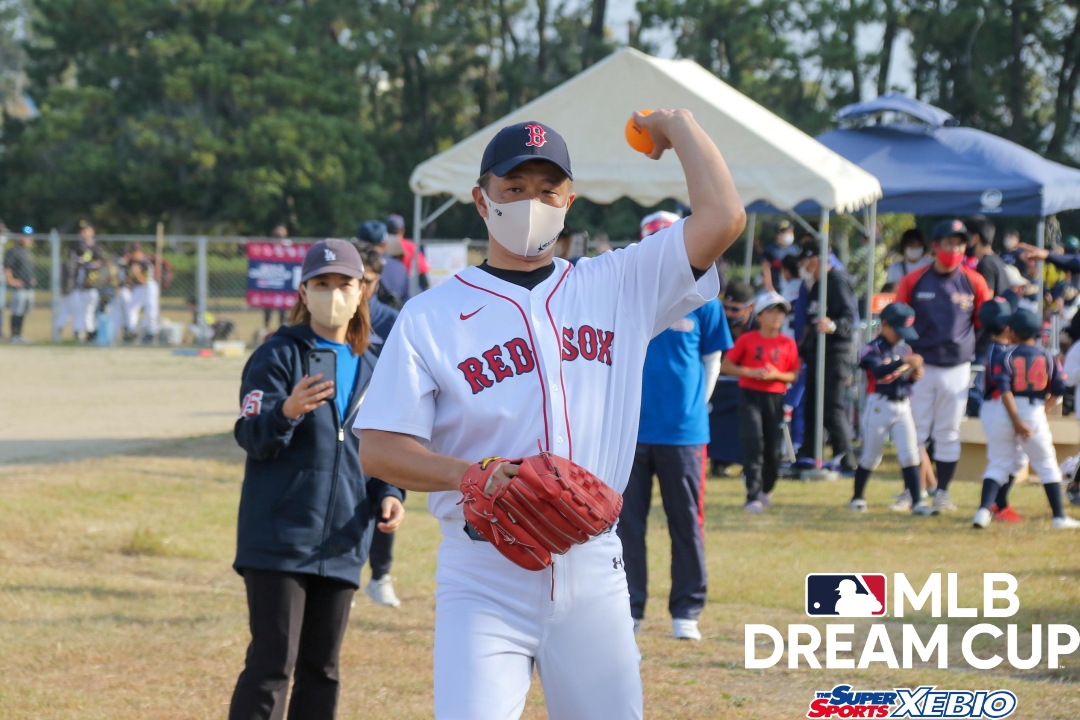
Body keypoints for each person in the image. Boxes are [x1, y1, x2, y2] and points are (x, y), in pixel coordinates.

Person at [355, 112, 745, 719]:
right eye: (513, 188)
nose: (531, 203)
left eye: (547, 189)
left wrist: (679, 127)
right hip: (483, 569)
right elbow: (379, 448)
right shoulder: (431, 315)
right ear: (482, 201)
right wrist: (470, 474)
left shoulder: (618, 282)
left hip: (592, 564)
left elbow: (723, 218)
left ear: (569, 202)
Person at [229, 239, 406, 720]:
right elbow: (251, 435)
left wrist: (389, 493)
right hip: (280, 537)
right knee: (272, 665)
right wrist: (286, 412)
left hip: (343, 539)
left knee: (322, 670)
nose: (333, 294)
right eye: (321, 284)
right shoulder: (277, 355)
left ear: (362, 291)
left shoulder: (376, 363)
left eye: (343, 284)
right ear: (304, 293)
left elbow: (382, 445)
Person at [618, 210, 732, 642]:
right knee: (626, 524)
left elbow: (712, 357)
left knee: (685, 521)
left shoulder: (704, 297)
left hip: (684, 432)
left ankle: (687, 609)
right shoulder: (624, 294)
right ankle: (629, 607)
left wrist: (696, 405)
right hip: (628, 430)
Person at [895, 219, 992, 511]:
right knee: (915, 431)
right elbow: (899, 320)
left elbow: (984, 322)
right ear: (936, 246)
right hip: (921, 367)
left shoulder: (974, 281)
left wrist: (969, 350)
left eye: (960, 244)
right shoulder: (913, 280)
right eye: (949, 243)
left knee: (948, 432)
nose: (955, 250)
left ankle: (943, 493)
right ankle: (911, 493)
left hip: (957, 367)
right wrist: (906, 358)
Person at [972, 309, 1080, 530]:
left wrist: (1015, 419)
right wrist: (1043, 409)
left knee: (999, 463)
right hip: (1033, 411)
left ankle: (983, 511)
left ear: (1014, 332)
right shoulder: (1047, 356)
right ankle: (1059, 517)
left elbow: (1004, 390)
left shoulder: (1006, 355)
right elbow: (1059, 388)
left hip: (1006, 409)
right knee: (1047, 465)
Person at [352, 244, 402, 608]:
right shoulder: (334, 320)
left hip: (384, 423)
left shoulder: (392, 320)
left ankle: (380, 576)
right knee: (348, 504)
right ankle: (345, 578)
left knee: (386, 500)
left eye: (366, 281)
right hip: (345, 424)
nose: (360, 289)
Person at [850, 303, 935, 514]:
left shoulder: (904, 349)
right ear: (885, 325)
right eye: (898, 330)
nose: (900, 336)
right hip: (879, 405)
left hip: (902, 405)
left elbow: (902, 381)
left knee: (910, 454)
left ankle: (917, 502)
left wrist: (914, 376)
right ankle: (857, 497)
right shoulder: (873, 348)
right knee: (872, 456)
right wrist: (902, 362)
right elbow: (878, 372)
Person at [721, 291, 800, 511]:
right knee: (753, 443)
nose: (776, 317)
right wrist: (750, 372)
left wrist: (776, 375)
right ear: (759, 316)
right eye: (771, 312)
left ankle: (766, 488)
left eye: (780, 313)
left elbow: (793, 374)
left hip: (775, 398)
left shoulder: (787, 343)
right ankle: (752, 494)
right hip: (749, 396)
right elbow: (726, 365)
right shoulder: (747, 339)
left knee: (773, 450)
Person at [796, 243, 859, 472]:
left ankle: (846, 459)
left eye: (804, 263)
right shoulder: (816, 285)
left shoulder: (838, 281)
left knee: (832, 408)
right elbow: (810, 321)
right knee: (812, 407)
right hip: (816, 353)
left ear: (815, 261)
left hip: (834, 354)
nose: (802, 268)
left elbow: (849, 320)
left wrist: (833, 325)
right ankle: (809, 455)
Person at [974, 298, 1025, 523]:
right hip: (997, 406)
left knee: (1018, 459)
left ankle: (998, 502)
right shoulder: (1000, 351)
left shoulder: (1001, 348)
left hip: (999, 407)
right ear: (1006, 327)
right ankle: (992, 506)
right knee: (1002, 460)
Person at [709, 281, 756, 475]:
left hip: (751, 385)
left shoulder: (760, 327)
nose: (728, 313)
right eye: (725, 308)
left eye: (735, 309)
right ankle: (719, 460)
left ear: (750, 307)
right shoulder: (715, 323)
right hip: (719, 384)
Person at [356, 220, 409, 308]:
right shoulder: (399, 268)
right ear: (385, 243)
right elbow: (407, 302)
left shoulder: (351, 266)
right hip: (396, 315)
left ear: (358, 242)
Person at [72, 221, 107, 342]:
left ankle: (91, 334)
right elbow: (74, 262)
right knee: (79, 310)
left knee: (90, 311)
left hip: (93, 285)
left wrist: (90, 264)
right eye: (81, 231)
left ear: (92, 232)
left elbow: (102, 263)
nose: (83, 233)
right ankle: (79, 333)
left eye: (85, 230)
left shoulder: (97, 247)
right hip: (79, 284)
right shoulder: (77, 247)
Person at [121, 242, 160, 343]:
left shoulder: (145, 262)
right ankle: (131, 331)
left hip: (148, 287)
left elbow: (145, 281)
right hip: (138, 287)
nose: (132, 254)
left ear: (139, 252)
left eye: (134, 252)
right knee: (130, 307)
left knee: (150, 309)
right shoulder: (132, 262)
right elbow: (128, 278)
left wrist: (137, 273)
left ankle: (153, 333)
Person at [4, 232, 35, 343]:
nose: (29, 239)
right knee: (17, 310)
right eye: (26, 237)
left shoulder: (27, 251)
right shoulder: (13, 251)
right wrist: (11, 281)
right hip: (19, 286)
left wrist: (32, 278)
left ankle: (19, 334)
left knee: (23, 311)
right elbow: (7, 267)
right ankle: (14, 335)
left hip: (28, 286)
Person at [386, 213, 430, 291]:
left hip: (385, 286)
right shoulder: (411, 247)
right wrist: (428, 288)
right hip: (405, 286)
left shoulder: (381, 245)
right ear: (402, 231)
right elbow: (422, 273)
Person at [263, 224, 293, 329]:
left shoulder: (289, 245)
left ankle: (281, 327)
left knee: (283, 306)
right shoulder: (269, 245)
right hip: (271, 278)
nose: (279, 234)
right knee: (268, 305)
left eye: (281, 232)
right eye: (277, 232)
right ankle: (266, 327)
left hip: (283, 278)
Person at [760, 220, 799, 292]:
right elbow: (766, 268)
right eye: (783, 232)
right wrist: (769, 287)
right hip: (777, 287)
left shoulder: (795, 248)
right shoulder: (770, 250)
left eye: (789, 231)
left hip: (794, 286)